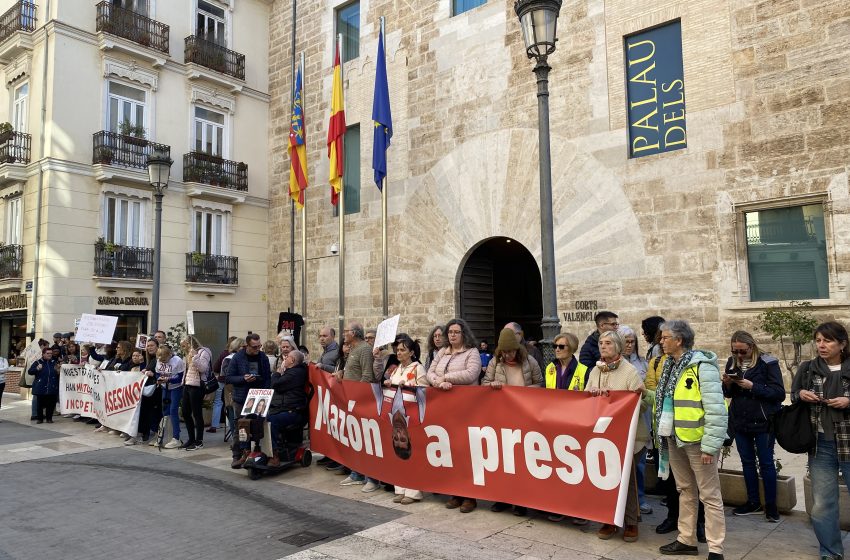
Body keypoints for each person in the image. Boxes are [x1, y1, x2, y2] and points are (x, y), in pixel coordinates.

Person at [655, 320, 726, 560]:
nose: (661, 341)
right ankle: (686, 539)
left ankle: (716, 548)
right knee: (685, 489)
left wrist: (710, 445)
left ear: (679, 340)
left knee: (709, 494)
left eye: (665, 338)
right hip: (674, 438)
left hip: (697, 440)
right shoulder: (669, 366)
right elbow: (667, 400)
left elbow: (716, 408)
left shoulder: (702, 367)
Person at [791, 321, 850, 560]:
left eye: (827, 341)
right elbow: (794, 395)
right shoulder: (808, 369)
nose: (821, 345)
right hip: (821, 445)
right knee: (822, 505)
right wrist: (801, 394)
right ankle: (831, 552)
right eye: (818, 340)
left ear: (842, 344)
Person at [586, 330, 649, 543]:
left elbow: (640, 405)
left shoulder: (630, 372)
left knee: (627, 479)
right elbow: (585, 399)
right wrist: (593, 394)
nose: (603, 347)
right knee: (606, 477)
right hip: (605, 434)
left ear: (619, 347)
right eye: (601, 343)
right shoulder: (595, 371)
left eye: (608, 344)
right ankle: (608, 519)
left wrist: (620, 399)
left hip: (631, 436)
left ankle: (631, 522)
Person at [721, 330, 784, 522]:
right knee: (746, 462)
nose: (739, 355)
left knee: (766, 463)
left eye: (743, 351)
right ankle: (753, 502)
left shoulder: (768, 363)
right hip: (740, 420)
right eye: (735, 351)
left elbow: (779, 393)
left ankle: (771, 506)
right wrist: (727, 383)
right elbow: (728, 394)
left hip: (764, 421)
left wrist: (752, 386)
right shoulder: (732, 362)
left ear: (752, 347)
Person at [484, 327, 543, 516]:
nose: (508, 355)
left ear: (518, 349)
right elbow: (485, 383)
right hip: (502, 417)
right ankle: (502, 498)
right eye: (504, 351)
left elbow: (541, 384)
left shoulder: (529, 361)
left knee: (520, 459)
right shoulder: (495, 363)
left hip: (523, 416)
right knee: (502, 459)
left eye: (511, 351)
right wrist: (492, 385)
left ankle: (521, 501)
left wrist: (523, 393)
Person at [427, 318, 481, 513]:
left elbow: (471, 374)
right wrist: (437, 382)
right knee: (450, 450)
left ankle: (470, 496)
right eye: (450, 332)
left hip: (465, 408)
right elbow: (430, 372)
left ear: (463, 334)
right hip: (445, 407)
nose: (452, 335)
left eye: (456, 332)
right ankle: (455, 492)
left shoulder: (471, 352)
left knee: (466, 451)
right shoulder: (443, 352)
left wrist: (447, 378)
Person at [383, 337, 428, 504]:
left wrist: (409, 384)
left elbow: (425, 390)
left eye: (402, 350)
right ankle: (400, 488)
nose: (399, 353)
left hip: (412, 415)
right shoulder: (396, 369)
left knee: (412, 452)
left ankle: (413, 491)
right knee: (398, 453)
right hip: (396, 416)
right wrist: (388, 383)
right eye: (398, 350)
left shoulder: (418, 368)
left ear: (411, 352)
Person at [337, 322, 379, 490]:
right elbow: (354, 372)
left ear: (354, 333)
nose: (343, 334)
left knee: (367, 440)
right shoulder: (353, 349)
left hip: (361, 402)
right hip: (351, 400)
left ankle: (372, 479)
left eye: (346, 331)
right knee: (356, 439)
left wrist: (358, 399)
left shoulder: (365, 350)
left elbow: (367, 376)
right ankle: (357, 473)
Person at [226, 333, 271, 468]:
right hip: (241, 396)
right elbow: (229, 378)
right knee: (241, 426)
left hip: (259, 396)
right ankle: (239, 454)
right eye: (254, 347)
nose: (257, 349)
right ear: (247, 345)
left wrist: (265, 391)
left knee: (258, 425)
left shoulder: (262, 357)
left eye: (259, 346)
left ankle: (259, 452)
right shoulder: (238, 358)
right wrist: (243, 379)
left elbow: (267, 376)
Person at [620, 325, 652, 515]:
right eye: (626, 342)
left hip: (640, 415)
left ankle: (640, 498)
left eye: (632, 341)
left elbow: (647, 389)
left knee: (639, 462)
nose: (629, 345)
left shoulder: (643, 363)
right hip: (621, 418)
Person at [267, 349, 309, 467]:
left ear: (293, 360)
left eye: (287, 357)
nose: (284, 359)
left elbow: (276, 384)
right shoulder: (290, 372)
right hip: (281, 408)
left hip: (293, 411)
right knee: (255, 418)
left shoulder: (296, 373)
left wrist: (277, 373)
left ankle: (274, 455)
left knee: (272, 420)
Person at [179, 336, 212, 451]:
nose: (183, 348)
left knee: (197, 413)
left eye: (184, 345)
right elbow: (186, 370)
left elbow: (203, 368)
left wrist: (194, 356)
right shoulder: (187, 353)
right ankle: (191, 439)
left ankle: (199, 441)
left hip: (197, 386)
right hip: (187, 384)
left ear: (190, 343)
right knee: (185, 412)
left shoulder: (204, 351)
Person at [155, 345, 186, 449]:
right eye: (161, 360)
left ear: (169, 354)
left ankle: (176, 437)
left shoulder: (177, 361)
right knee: (165, 410)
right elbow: (157, 373)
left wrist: (169, 380)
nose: (163, 362)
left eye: (164, 360)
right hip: (164, 387)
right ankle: (163, 436)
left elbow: (181, 377)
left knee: (173, 410)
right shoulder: (159, 360)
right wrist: (159, 379)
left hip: (176, 388)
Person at [30, 347, 60, 424]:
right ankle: (40, 419)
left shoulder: (54, 362)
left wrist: (58, 371)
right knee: (40, 404)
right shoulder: (38, 362)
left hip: (52, 386)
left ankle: (49, 418)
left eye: (51, 353)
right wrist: (37, 368)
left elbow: (58, 373)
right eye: (48, 353)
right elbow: (30, 371)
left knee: (51, 403)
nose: (50, 355)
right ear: (43, 354)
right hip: (41, 386)